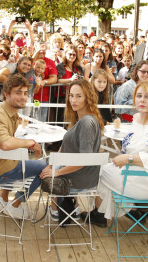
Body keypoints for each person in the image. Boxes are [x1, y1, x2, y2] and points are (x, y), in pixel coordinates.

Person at [81, 81, 148, 226]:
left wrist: (128, 159)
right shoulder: (137, 121)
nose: (142, 100)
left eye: (147, 97)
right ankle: (102, 214)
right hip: (134, 175)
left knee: (95, 170)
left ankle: (120, 209)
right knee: (98, 169)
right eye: (139, 96)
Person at [0, 74, 47, 219]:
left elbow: (8, 142)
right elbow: (5, 143)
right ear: (6, 94)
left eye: (25, 93)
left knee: (21, 160)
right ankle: (15, 205)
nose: (23, 97)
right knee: (44, 167)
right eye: (18, 92)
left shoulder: (8, 112)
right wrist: (32, 143)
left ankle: (2, 199)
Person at [40, 79, 104, 221]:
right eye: (71, 95)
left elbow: (84, 160)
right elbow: (64, 147)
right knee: (45, 167)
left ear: (88, 97)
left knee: (40, 171)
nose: (73, 100)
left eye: (79, 96)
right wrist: (52, 165)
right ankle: (70, 206)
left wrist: (56, 171)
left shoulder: (87, 122)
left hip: (80, 179)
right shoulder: (81, 118)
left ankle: (56, 207)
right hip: (79, 173)